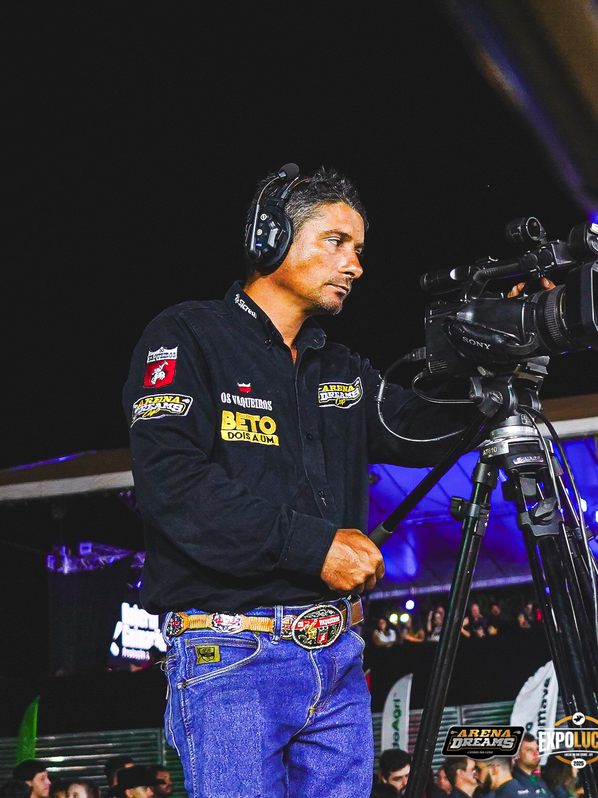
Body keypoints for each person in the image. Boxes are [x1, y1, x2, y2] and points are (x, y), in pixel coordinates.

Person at [125, 166, 472, 797]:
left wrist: (502, 368)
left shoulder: (340, 366)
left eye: (358, 249)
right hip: (230, 655)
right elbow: (172, 485)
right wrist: (316, 548)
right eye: (336, 242)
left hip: (337, 656)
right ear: (271, 238)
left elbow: (418, 430)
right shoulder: (187, 335)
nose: (354, 265)